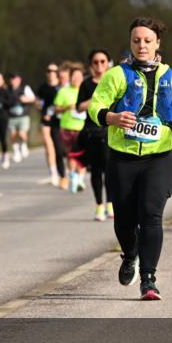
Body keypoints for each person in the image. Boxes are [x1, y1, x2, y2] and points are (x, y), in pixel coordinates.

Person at [88, 17, 172, 300]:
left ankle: (149, 280)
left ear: (157, 43)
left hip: (159, 157)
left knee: (151, 215)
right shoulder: (116, 75)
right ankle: (130, 253)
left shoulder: (171, 76)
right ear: (130, 42)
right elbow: (95, 106)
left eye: (147, 41)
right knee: (123, 220)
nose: (142, 46)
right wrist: (111, 117)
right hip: (122, 159)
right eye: (136, 40)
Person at [77, 49, 113, 220]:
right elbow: (79, 106)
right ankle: (99, 205)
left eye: (103, 61)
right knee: (96, 171)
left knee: (110, 170)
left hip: (110, 131)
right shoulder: (86, 84)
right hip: (92, 132)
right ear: (91, 65)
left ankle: (110, 204)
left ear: (108, 63)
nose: (100, 65)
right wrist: (95, 100)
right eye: (96, 62)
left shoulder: (114, 81)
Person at [54, 65, 88, 193]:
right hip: (67, 127)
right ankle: (73, 175)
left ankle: (80, 178)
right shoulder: (63, 91)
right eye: (74, 76)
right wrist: (67, 107)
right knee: (70, 154)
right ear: (70, 77)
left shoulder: (86, 90)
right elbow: (56, 108)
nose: (76, 79)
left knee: (83, 154)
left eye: (79, 77)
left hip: (83, 128)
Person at [36, 63, 64, 186]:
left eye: (53, 70)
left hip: (59, 121)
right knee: (48, 145)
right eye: (48, 70)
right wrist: (38, 105)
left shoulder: (61, 86)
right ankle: (53, 173)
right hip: (46, 119)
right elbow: (38, 101)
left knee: (59, 149)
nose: (51, 73)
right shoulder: (42, 87)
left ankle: (63, 173)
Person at [7, 73, 36, 164]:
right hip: (11, 116)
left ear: (19, 80)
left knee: (21, 133)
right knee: (13, 135)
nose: (14, 81)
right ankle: (16, 152)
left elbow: (33, 98)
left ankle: (23, 145)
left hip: (23, 115)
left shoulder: (25, 88)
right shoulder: (7, 89)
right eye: (12, 79)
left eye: (16, 79)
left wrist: (25, 99)